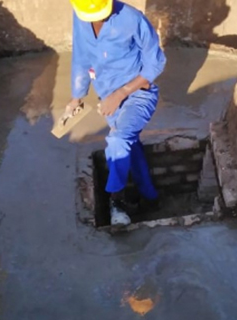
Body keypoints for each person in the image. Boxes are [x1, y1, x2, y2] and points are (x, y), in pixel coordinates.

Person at [61, 0, 166, 226]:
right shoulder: (81, 14)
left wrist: (120, 94)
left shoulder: (132, 19)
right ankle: (150, 197)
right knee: (130, 142)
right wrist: (76, 97)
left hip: (137, 94)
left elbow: (155, 63)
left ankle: (116, 201)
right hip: (106, 95)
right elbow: (81, 56)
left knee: (118, 140)